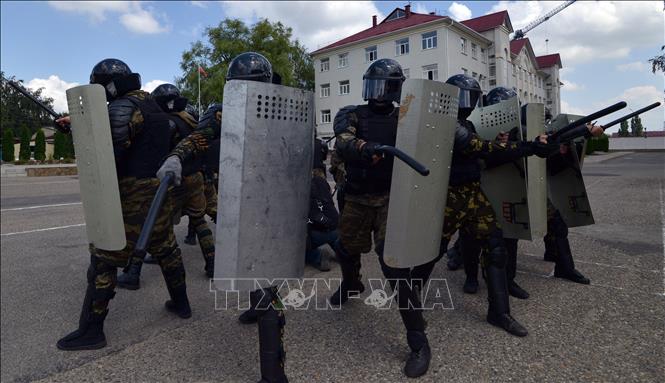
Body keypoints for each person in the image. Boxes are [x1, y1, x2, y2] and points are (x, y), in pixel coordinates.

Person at [158, 52, 288, 383]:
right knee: (248, 259)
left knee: (264, 264)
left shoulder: (282, 105)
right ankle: (263, 304)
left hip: (273, 194)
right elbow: (200, 137)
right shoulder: (222, 111)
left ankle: (274, 366)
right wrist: (177, 155)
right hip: (239, 192)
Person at [56, 59, 191, 351]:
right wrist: (76, 128)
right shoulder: (150, 104)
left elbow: (108, 156)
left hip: (133, 196)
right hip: (159, 192)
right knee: (167, 248)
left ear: (108, 85)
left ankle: (92, 331)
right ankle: (182, 305)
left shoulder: (121, 107)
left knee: (104, 258)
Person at [330, 58, 434, 378]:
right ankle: (352, 283)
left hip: (392, 198)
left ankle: (419, 342)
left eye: (384, 87)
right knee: (346, 247)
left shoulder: (407, 116)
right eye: (372, 86)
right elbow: (343, 142)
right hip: (359, 197)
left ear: (396, 89)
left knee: (394, 266)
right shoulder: (351, 114)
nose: (376, 94)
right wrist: (365, 146)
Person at [436, 74, 555, 337]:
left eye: (472, 98)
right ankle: (409, 307)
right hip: (447, 196)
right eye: (462, 97)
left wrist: (523, 146)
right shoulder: (445, 123)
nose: (467, 104)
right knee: (431, 254)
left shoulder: (467, 123)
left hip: (473, 193)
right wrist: (529, 148)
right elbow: (482, 148)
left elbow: (492, 151)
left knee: (496, 248)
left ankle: (499, 313)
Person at [117, 84, 215, 289]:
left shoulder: (166, 123)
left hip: (173, 179)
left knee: (152, 222)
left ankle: (133, 271)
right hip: (195, 177)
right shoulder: (189, 120)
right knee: (199, 220)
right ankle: (212, 262)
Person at [305, 138, 338, 272]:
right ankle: (341, 250)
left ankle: (317, 256)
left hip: (314, 232)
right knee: (325, 202)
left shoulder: (299, 185)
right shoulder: (322, 182)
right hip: (335, 226)